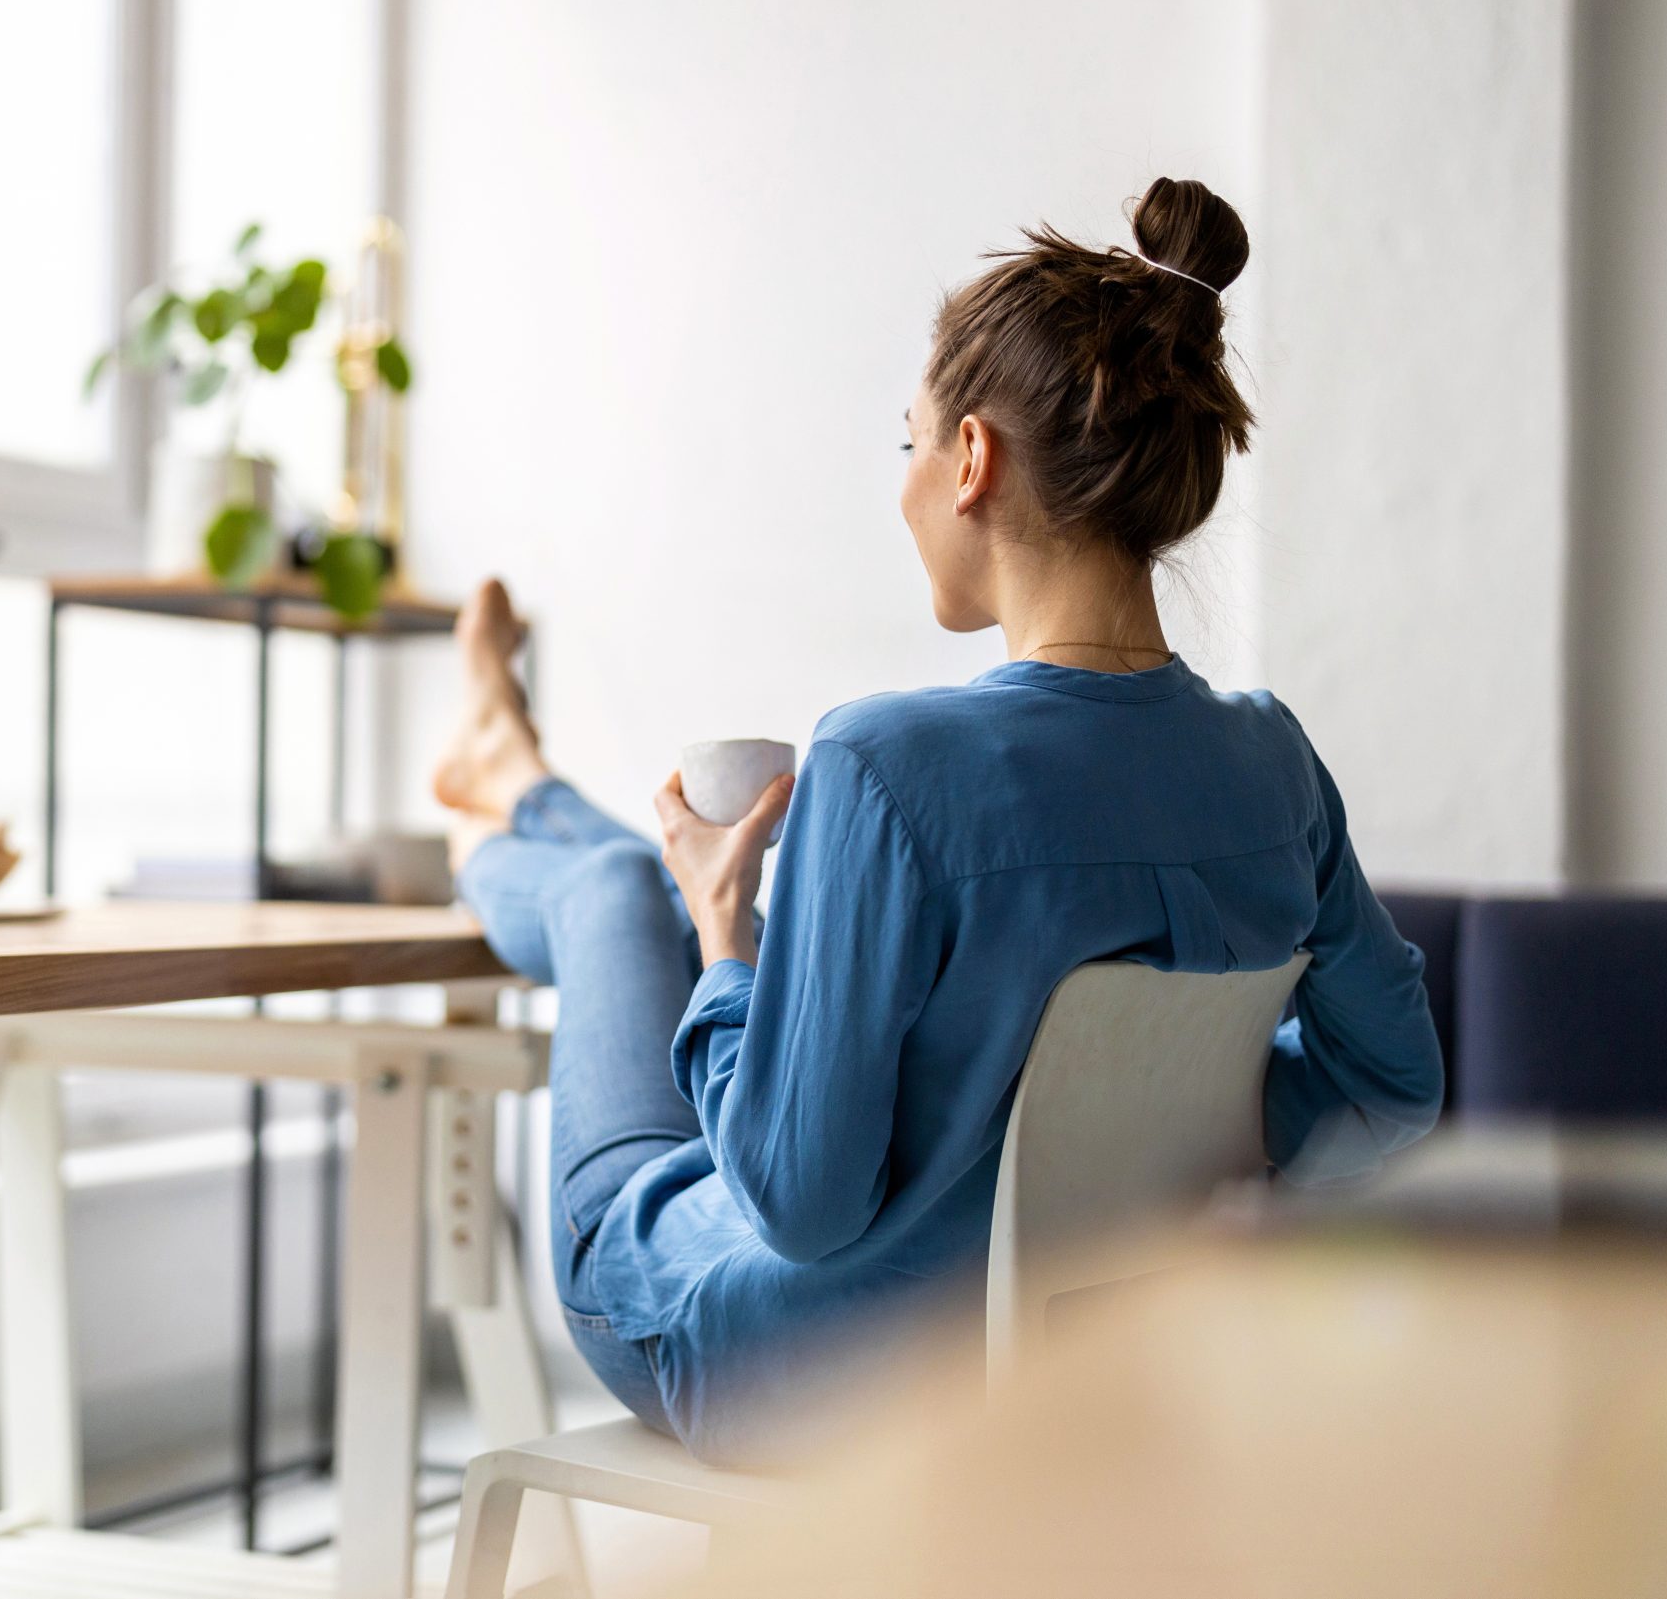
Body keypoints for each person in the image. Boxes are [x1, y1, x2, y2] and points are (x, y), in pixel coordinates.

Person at [431, 178, 1446, 1463]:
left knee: (618, 897)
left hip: (808, 1370)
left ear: (971, 458)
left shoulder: (884, 764)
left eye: (906, 442)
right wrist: (1180, 1139)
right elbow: (1392, 1086)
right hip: (1089, 1376)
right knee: (630, 884)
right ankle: (513, 775)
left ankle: (503, 802)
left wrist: (727, 943)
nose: (905, 482)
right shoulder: (1272, 767)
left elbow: (798, 1205)